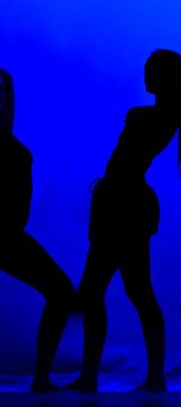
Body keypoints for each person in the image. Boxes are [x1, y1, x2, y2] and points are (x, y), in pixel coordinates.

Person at [68, 50, 181, 393]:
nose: (145, 75)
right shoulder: (172, 117)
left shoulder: (145, 116)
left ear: (162, 77)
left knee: (106, 291)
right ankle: (147, 376)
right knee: (135, 292)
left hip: (121, 205)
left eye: (150, 70)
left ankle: (94, 376)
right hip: (126, 204)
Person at [0, 69, 75, 392]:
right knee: (60, 290)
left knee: (60, 291)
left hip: (10, 235)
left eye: (2, 94)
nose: (0, 98)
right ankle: (42, 378)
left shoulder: (6, 138)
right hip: (4, 235)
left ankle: (42, 377)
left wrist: (10, 84)